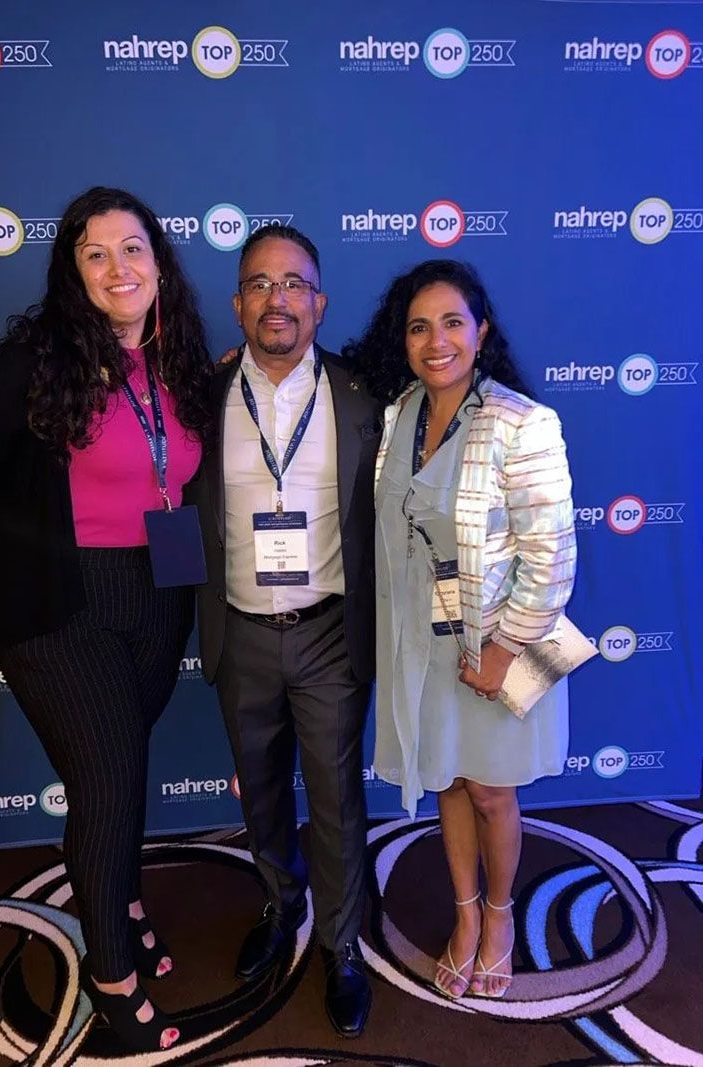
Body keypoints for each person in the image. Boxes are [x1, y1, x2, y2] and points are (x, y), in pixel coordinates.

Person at [0, 186, 212, 1051]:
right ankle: (111, 979)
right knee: (106, 782)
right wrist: (40, 540)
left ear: (159, 262)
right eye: (96, 253)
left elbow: (186, 473)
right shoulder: (35, 355)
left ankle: (118, 906)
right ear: (73, 270)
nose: (118, 268)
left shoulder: (181, 358)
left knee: (121, 776)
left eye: (133, 249)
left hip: (158, 594)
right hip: (60, 607)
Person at [349, 259, 576, 1001]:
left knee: (491, 793)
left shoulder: (523, 421)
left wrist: (508, 649)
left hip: (494, 644)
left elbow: (552, 555)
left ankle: (501, 915)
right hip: (421, 645)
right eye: (419, 326)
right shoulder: (400, 413)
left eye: (452, 322)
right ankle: (464, 915)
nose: (435, 340)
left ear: (481, 331)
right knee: (447, 780)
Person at [186, 224, 380, 1037]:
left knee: (335, 799)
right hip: (239, 630)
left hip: (329, 630)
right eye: (260, 284)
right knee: (260, 789)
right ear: (237, 304)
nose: (278, 299)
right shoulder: (198, 395)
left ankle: (341, 946)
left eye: (294, 283)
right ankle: (278, 901)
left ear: (319, 301)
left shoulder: (364, 396)